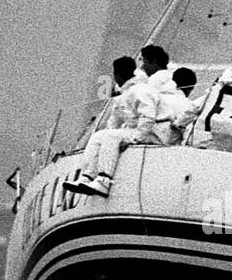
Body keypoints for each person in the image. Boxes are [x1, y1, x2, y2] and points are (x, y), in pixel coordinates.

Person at [66, 44, 173, 196]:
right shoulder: (124, 95)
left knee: (110, 137)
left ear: (116, 75)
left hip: (154, 134)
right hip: (141, 131)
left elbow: (148, 117)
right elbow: (113, 125)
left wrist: (135, 139)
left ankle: (104, 179)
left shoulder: (141, 89)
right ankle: (87, 176)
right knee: (99, 136)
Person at [176, 60, 232, 150]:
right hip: (219, 146)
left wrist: (179, 124)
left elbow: (194, 107)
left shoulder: (215, 89)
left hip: (200, 139)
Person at [154, 67, 198, 145]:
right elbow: (188, 135)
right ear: (190, 89)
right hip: (169, 149)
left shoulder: (156, 98)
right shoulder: (188, 105)